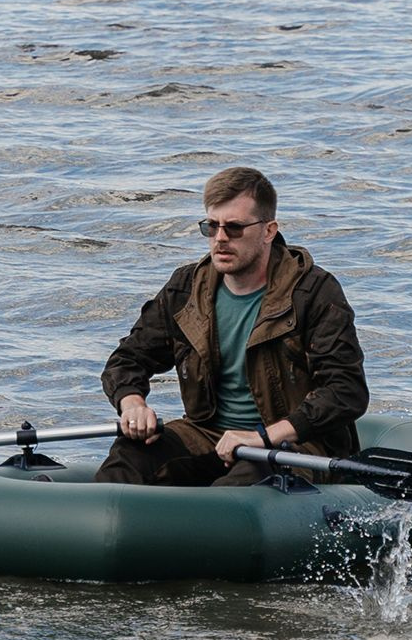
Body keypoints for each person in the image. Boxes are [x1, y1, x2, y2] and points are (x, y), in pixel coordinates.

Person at [94, 166, 369, 486]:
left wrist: (263, 437)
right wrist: (133, 404)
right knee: (130, 454)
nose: (220, 239)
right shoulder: (185, 288)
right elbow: (128, 360)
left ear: (268, 230)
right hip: (207, 434)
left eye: (235, 228)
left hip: (296, 447)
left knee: (249, 481)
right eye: (211, 227)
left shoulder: (314, 292)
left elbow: (344, 392)